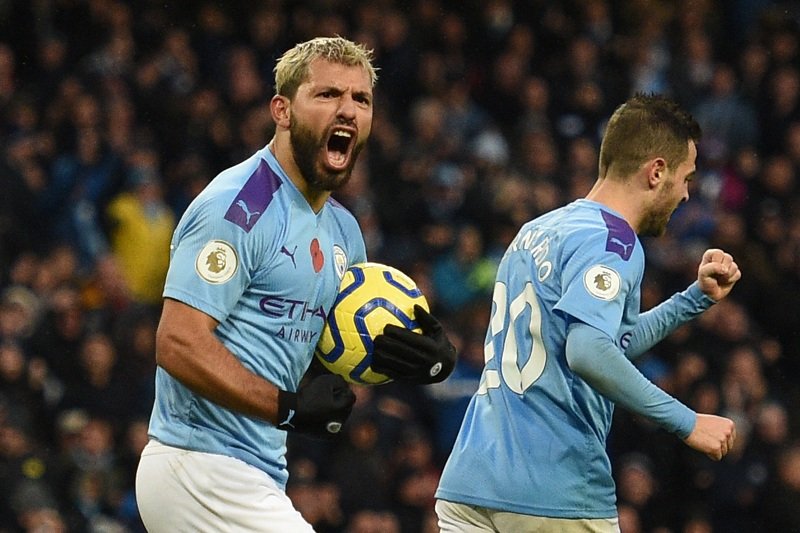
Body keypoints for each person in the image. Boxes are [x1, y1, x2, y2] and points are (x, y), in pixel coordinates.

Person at [134, 36, 456, 532]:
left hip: (255, 470)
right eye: (328, 94)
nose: (347, 110)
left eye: (361, 99)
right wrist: (284, 407)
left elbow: (325, 352)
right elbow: (177, 341)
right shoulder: (239, 207)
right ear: (281, 110)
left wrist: (416, 358)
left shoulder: (344, 230)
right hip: (198, 465)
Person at [435, 93, 741, 532]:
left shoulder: (538, 230)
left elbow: (607, 341)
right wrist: (687, 422)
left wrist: (694, 299)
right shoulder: (614, 242)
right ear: (656, 171)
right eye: (686, 177)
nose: (686, 194)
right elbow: (589, 351)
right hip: (553, 491)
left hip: (470, 484)